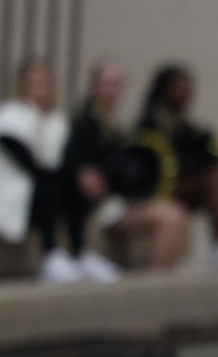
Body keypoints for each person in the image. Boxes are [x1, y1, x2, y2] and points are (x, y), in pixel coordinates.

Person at [0, 58, 107, 283]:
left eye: (46, 82)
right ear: (22, 85)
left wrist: (82, 176)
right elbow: (26, 162)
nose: (42, 87)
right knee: (50, 183)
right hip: (1, 196)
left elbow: (65, 162)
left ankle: (80, 253)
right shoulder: (8, 115)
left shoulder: (57, 120)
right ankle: (50, 255)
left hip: (35, 196)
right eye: (35, 82)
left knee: (74, 184)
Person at [67, 61, 191, 271]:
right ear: (94, 87)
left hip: (123, 199)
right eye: (107, 83)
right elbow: (78, 165)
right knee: (171, 217)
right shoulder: (87, 124)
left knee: (177, 213)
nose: (112, 89)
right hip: (104, 206)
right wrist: (84, 174)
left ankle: (163, 277)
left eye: (117, 84)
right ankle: (157, 283)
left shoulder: (118, 126)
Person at [138, 64, 218, 272]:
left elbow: (204, 155)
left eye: (189, 85)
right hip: (158, 187)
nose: (186, 91)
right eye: (180, 85)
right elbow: (167, 161)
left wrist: (209, 146)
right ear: (165, 89)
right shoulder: (152, 122)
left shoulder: (184, 124)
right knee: (215, 179)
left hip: (180, 182)